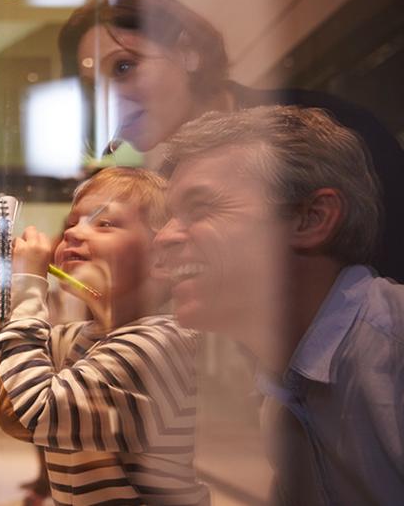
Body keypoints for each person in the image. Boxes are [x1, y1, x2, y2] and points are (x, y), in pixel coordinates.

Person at [58, 0, 404, 283]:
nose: (106, 103)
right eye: (93, 89)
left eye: (123, 67)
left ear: (187, 52)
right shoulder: (167, 185)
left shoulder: (316, 127)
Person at [155, 105, 404, 504]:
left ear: (311, 219)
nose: (163, 237)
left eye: (200, 208)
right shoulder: (281, 395)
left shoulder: (393, 353)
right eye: (169, 217)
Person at [0, 167, 209, 505]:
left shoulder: (154, 344)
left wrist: (27, 287)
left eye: (104, 223)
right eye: (72, 223)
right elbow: (4, 358)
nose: (73, 235)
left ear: (161, 258)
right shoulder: (88, 335)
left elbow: (35, 416)